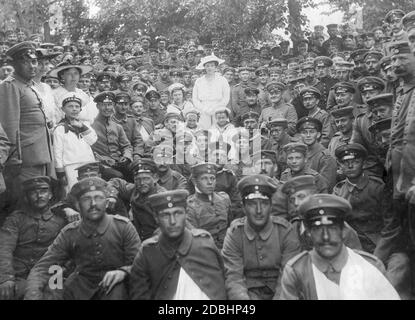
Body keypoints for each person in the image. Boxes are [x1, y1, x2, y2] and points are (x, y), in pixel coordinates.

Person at [24, 177, 141, 300]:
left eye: (98, 198)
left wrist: (123, 272)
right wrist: (32, 295)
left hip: (116, 286)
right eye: (86, 199)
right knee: (53, 289)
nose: (93, 204)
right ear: (77, 206)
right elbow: (42, 268)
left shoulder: (122, 226)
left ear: (106, 203)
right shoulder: (70, 232)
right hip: (82, 288)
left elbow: (139, 263)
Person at [280, 193, 400, 300]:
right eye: (318, 229)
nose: (326, 237)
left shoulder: (370, 266)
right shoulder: (296, 271)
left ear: (343, 231)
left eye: (332, 228)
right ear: (309, 233)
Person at [129, 189, 227, 300]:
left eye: (178, 213)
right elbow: (139, 294)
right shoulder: (148, 252)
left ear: (186, 214)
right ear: (156, 218)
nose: (173, 221)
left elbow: (223, 282)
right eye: (165, 215)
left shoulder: (204, 243)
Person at [222, 174, 301, 300]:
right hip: (247, 293)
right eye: (252, 204)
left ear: (271, 205)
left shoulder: (285, 231)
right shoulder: (235, 233)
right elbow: (234, 278)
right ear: (243, 206)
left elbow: (287, 279)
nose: (259, 210)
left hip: (280, 292)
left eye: (264, 203)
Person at [0, 42, 54, 212]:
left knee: (39, 208)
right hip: (24, 162)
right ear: (14, 64)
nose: (32, 66)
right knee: (24, 209)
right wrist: (14, 161)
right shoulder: (10, 86)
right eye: (26, 62)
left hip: (40, 157)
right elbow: (9, 127)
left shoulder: (29, 86)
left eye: (34, 62)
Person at [0, 177, 69, 300]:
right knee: (13, 292)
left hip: (50, 274)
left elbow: (68, 250)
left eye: (43, 191)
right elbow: (4, 249)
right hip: (19, 274)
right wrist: (6, 278)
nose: (39, 195)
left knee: (56, 293)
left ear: (50, 195)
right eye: (33, 192)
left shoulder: (60, 220)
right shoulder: (16, 219)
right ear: (27, 197)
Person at [281, 175, 361, 250]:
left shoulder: (342, 229)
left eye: (301, 197)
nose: (296, 203)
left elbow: (356, 261)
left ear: (314, 196)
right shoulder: (293, 229)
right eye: (292, 199)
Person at [53, 92, 97, 192]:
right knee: (75, 192)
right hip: (71, 167)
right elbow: (57, 153)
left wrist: (82, 128)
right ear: (63, 109)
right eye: (70, 106)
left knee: (90, 190)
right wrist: (60, 173)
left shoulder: (84, 125)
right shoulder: (60, 128)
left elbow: (93, 140)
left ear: (80, 109)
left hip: (88, 164)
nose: (74, 109)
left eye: (77, 106)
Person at [186, 163, 231, 249]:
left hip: (227, 248)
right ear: (194, 181)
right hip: (204, 250)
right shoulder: (190, 206)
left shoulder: (224, 198)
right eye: (204, 179)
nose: (210, 182)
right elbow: (194, 239)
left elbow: (230, 226)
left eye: (212, 178)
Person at [91, 91, 133, 181]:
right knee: (118, 176)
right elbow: (91, 151)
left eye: (109, 104)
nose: (107, 108)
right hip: (100, 164)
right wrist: (106, 161)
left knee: (136, 171)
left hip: (118, 162)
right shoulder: (91, 126)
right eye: (103, 105)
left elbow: (126, 146)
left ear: (113, 106)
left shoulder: (117, 126)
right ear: (97, 106)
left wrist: (126, 157)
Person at [297, 117, 337, 191]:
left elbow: (326, 186)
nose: (308, 135)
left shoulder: (326, 157)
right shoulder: (299, 154)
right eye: (304, 132)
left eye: (312, 132)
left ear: (318, 134)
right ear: (300, 135)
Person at [192, 54, 230, 129]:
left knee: (220, 131)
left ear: (215, 67)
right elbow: (195, 99)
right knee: (204, 132)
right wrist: (204, 108)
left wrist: (216, 107)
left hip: (219, 108)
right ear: (204, 67)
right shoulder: (199, 81)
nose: (210, 68)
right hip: (203, 109)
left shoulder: (222, 80)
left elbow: (226, 97)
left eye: (212, 65)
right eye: (207, 66)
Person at [110, 92, 145, 160]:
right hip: (114, 157)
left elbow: (138, 140)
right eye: (120, 104)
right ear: (114, 105)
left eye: (126, 104)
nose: (123, 107)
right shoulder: (109, 121)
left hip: (131, 155)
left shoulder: (131, 120)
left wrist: (137, 154)